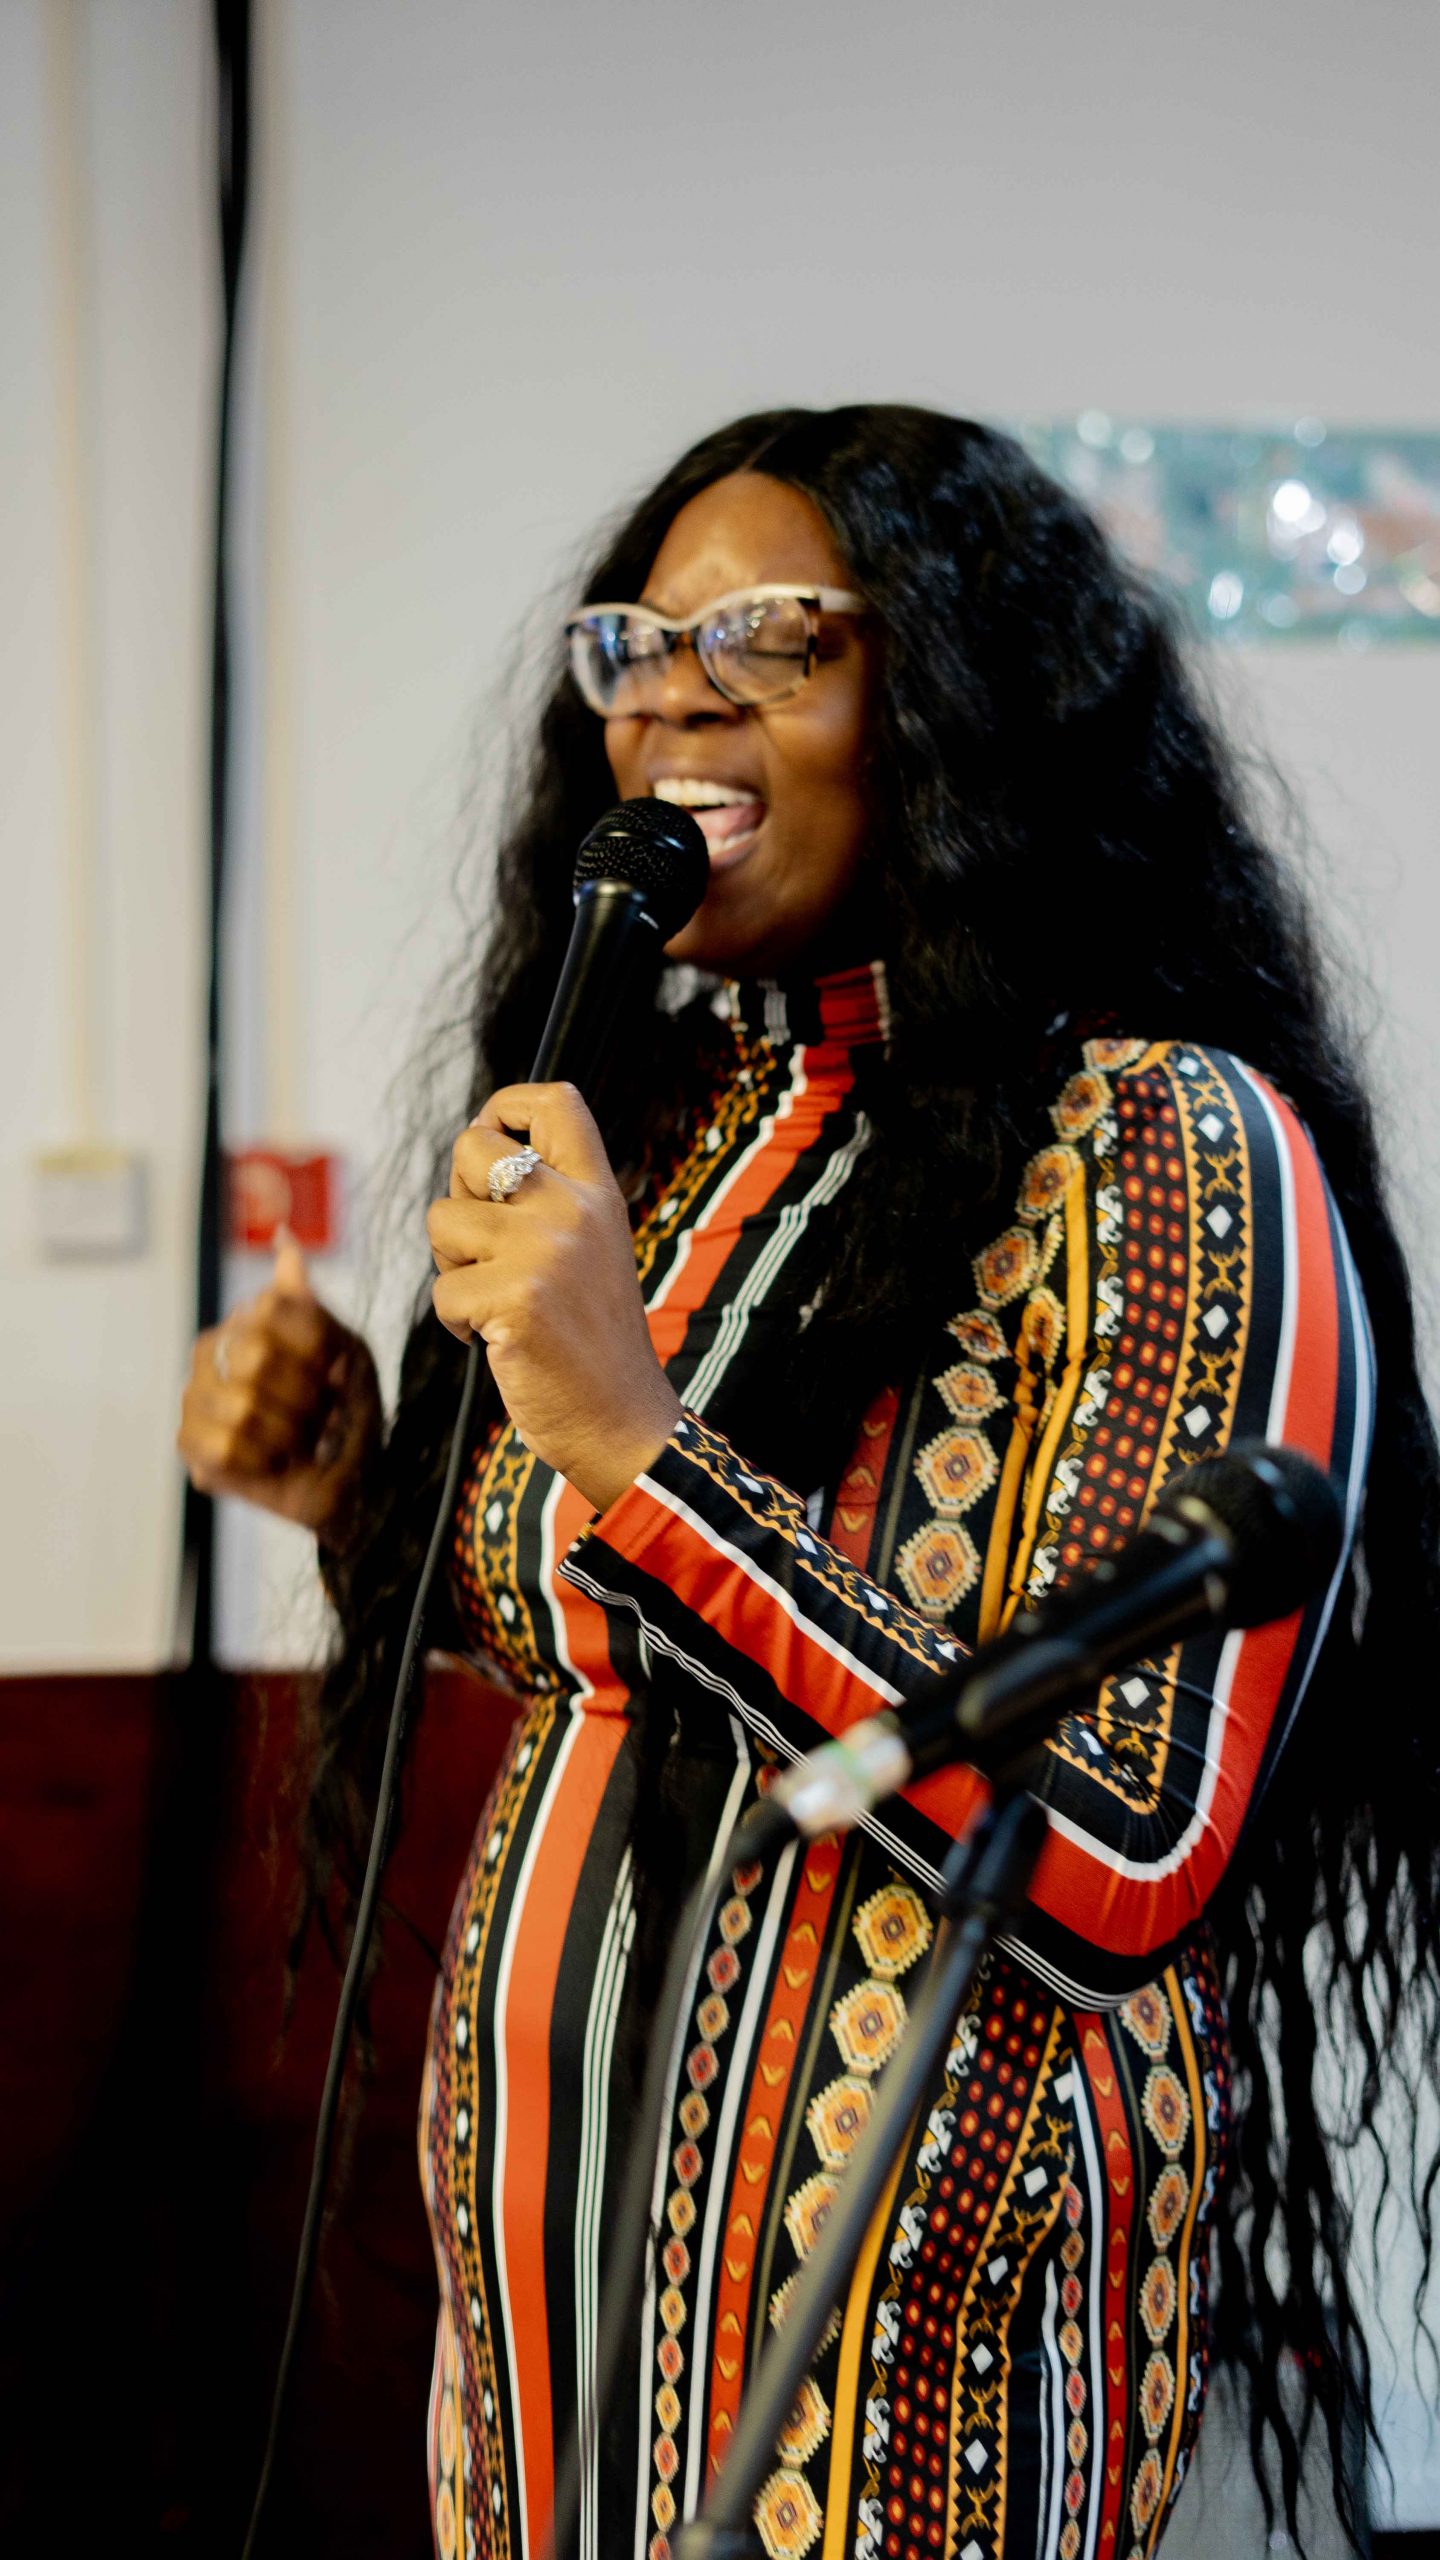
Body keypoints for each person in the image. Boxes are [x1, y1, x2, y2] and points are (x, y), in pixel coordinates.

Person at [178, 407, 1440, 2560]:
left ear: (962, 696)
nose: (673, 695)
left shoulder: (1165, 1143)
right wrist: (361, 1494)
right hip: (542, 2305)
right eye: (636, 644)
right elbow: (624, 1642)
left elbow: (1128, 1841)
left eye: (768, 636)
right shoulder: (659, 1129)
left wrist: (633, 1440)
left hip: (912, 2343)